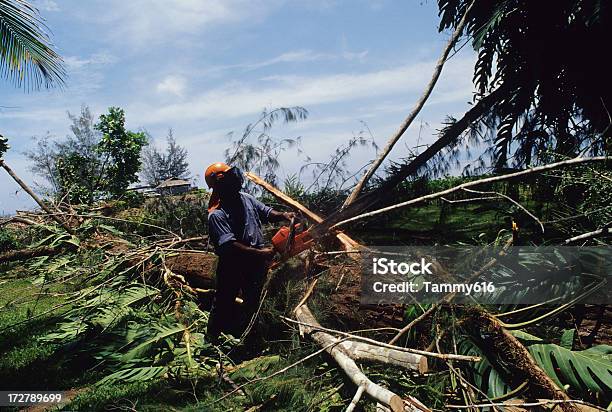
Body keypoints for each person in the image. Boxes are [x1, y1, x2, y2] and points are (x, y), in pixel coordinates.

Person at [204, 162, 294, 340]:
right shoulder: (217, 214)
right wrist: (261, 253)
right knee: (224, 302)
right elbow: (229, 246)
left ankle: (248, 338)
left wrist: (283, 215)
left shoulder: (245, 198)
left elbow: (266, 212)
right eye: (229, 179)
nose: (235, 180)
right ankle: (211, 339)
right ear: (220, 184)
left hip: (255, 264)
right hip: (232, 265)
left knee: (253, 301)